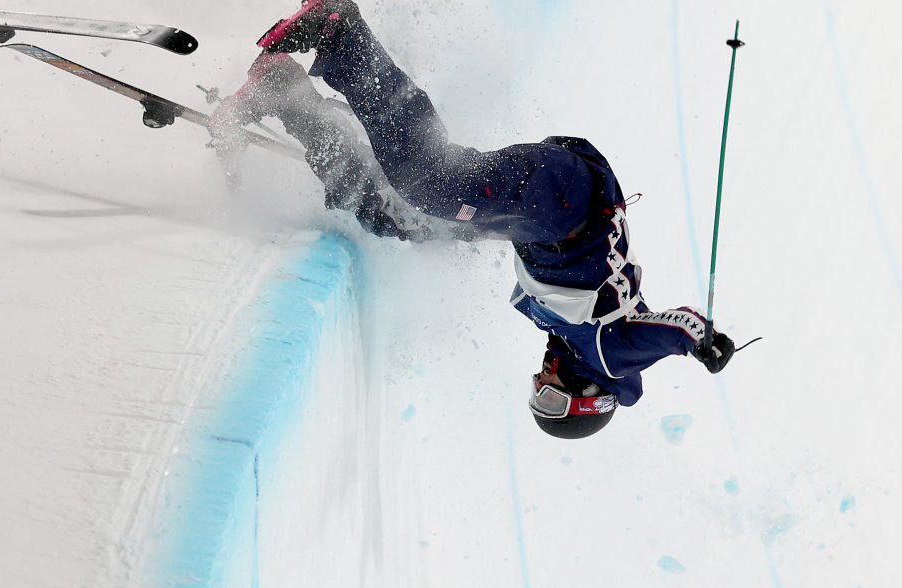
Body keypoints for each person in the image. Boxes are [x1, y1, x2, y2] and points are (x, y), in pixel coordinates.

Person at [210, 0, 738, 440]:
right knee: (435, 185)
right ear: (588, 399)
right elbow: (676, 329)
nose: (541, 379)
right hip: (566, 206)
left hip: (541, 220)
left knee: (397, 220)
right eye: (552, 397)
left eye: (537, 393)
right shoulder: (612, 358)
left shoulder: (572, 340)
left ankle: (289, 96)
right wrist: (703, 342)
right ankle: (343, 33)